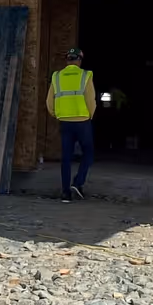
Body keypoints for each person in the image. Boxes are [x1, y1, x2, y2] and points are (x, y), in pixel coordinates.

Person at [48, 47, 95, 201]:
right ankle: (78, 182)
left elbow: (49, 102)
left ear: (67, 60)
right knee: (88, 152)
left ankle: (65, 192)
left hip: (65, 122)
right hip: (82, 121)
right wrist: (89, 116)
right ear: (79, 60)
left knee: (66, 157)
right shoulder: (85, 75)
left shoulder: (57, 76)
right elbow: (90, 101)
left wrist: (58, 114)